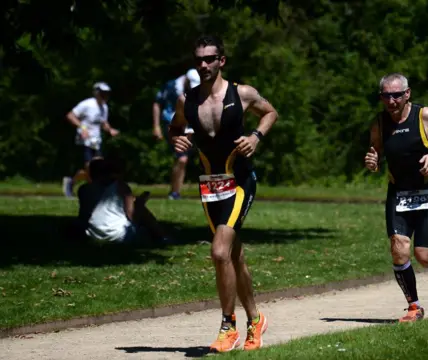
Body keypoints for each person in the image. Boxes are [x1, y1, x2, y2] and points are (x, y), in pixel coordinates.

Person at [169, 35, 278, 353]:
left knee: (219, 252)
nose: (204, 65)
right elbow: (175, 128)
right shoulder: (186, 101)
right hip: (209, 187)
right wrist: (176, 140)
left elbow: (270, 112)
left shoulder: (241, 93)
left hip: (240, 181)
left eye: (210, 59)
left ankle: (227, 326)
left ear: (221, 61)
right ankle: (256, 321)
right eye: (199, 59)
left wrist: (256, 136)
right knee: (233, 256)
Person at [364, 73, 428, 322]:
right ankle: (414, 307)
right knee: (399, 250)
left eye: (397, 95)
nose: (392, 101)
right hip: (398, 192)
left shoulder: (426, 116)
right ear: (381, 97)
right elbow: (375, 153)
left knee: (423, 256)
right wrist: (372, 162)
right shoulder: (379, 124)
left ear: (407, 94)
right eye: (386, 96)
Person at [76, 156, 170, 244]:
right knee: (142, 214)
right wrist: (140, 203)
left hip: (92, 234)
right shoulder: (121, 187)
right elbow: (132, 216)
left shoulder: (83, 189)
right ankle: (163, 237)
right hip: (118, 235)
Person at [63, 82, 120, 198]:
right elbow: (70, 116)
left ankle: (74, 183)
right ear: (97, 93)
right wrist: (82, 127)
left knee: (97, 168)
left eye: (107, 94)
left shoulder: (104, 107)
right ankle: (79, 186)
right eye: (103, 93)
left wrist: (110, 130)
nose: (105, 96)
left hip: (96, 141)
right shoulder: (87, 104)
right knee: (90, 167)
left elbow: (104, 123)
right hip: (84, 140)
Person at [152, 69, 201, 200]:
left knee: (183, 160)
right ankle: (174, 192)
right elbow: (157, 103)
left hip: (186, 126)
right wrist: (156, 126)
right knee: (182, 158)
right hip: (171, 124)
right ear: (186, 79)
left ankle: (175, 192)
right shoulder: (171, 86)